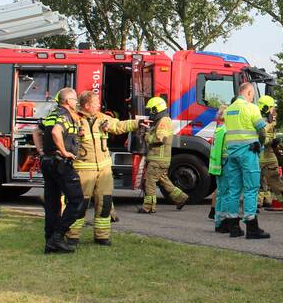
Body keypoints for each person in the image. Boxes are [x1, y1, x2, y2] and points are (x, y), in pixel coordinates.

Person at [65, 91, 140, 246]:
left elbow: (119, 126)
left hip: (104, 169)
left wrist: (137, 124)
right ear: (87, 106)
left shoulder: (102, 118)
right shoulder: (74, 119)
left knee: (105, 203)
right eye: (96, 103)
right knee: (79, 204)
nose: (99, 105)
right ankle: (72, 236)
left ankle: (102, 236)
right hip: (83, 169)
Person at [33, 88, 86, 254]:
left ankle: (49, 242)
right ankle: (57, 237)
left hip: (48, 162)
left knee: (52, 204)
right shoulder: (64, 115)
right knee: (77, 201)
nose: (77, 102)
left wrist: (41, 151)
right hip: (60, 163)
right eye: (75, 100)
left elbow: (36, 131)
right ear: (68, 101)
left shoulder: (52, 114)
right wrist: (64, 152)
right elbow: (56, 132)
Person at [220, 82, 270, 239]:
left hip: (232, 154)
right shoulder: (251, 108)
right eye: (253, 94)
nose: (253, 97)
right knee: (251, 189)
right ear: (248, 92)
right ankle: (252, 227)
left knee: (233, 190)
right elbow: (261, 129)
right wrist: (261, 143)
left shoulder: (229, 110)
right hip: (248, 153)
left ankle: (234, 227)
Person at [140, 96, 189, 214]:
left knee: (150, 182)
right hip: (160, 160)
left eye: (151, 110)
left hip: (158, 160)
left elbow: (159, 138)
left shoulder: (163, 121)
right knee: (164, 180)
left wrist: (146, 135)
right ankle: (181, 198)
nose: (150, 113)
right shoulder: (163, 121)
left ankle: (149, 207)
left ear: (156, 110)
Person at [257, 95, 283, 213]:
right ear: (266, 108)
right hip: (262, 157)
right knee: (269, 183)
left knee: (274, 182)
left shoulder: (269, 121)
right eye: (272, 108)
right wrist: (272, 142)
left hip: (264, 157)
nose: (274, 110)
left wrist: (277, 145)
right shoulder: (262, 123)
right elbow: (261, 139)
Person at [208, 102, 228, 232]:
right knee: (225, 194)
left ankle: (218, 221)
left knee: (220, 193)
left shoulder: (218, 130)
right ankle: (222, 222)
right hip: (224, 165)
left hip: (216, 166)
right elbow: (225, 151)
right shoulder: (225, 131)